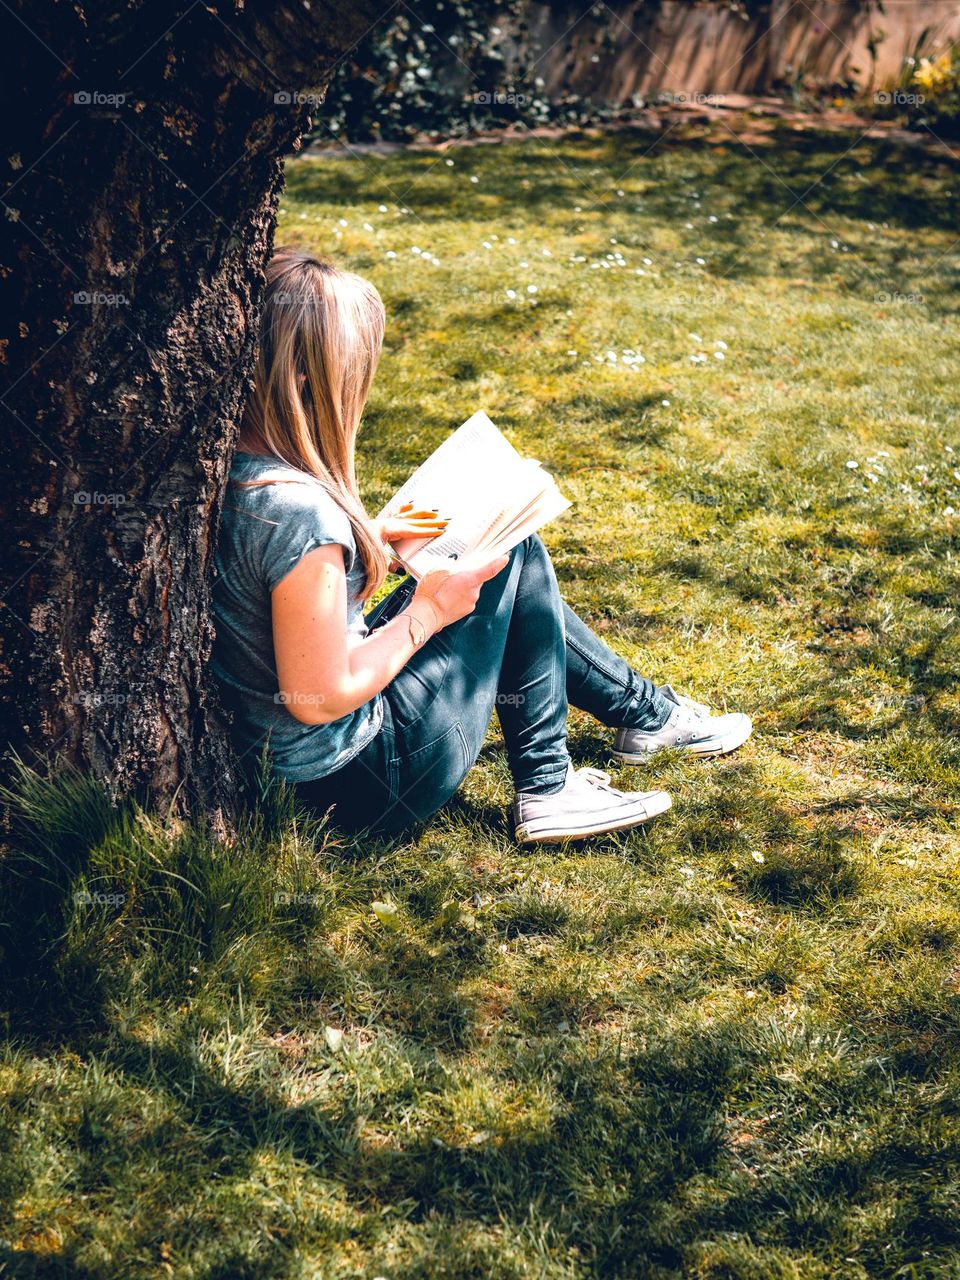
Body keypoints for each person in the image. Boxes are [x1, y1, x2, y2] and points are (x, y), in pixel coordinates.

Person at [211, 248, 752, 844]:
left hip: (289, 775)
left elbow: (272, 616)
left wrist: (375, 552)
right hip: (363, 783)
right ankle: (553, 784)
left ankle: (647, 716)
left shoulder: (228, 476)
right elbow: (320, 696)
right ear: (312, 383)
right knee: (507, 552)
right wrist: (426, 614)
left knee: (499, 557)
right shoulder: (301, 513)